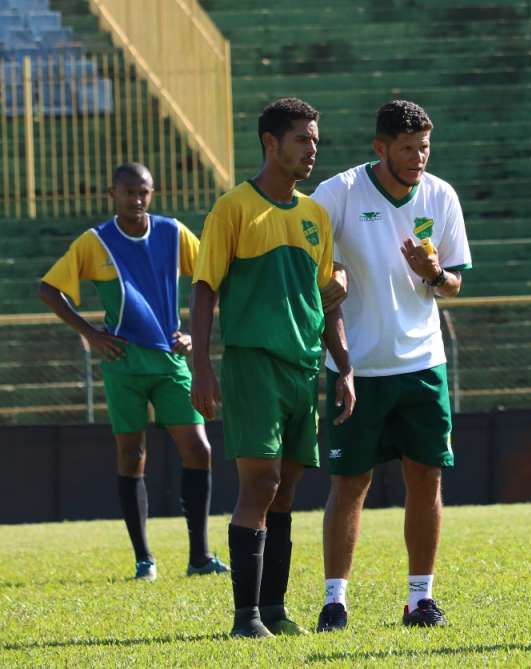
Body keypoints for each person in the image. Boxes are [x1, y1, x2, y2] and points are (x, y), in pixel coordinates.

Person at [190, 98, 352, 638]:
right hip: (252, 362)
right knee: (259, 481)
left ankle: (275, 609)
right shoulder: (232, 208)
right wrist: (202, 367)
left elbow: (327, 298)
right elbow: (205, 289)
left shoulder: (315, 217)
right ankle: (245, 617)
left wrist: (343, 366)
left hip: (304, 366)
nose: (312, 150)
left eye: (315, 141)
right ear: (270, 143)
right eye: (302, 140)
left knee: (286, 490)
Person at [310, 99, 472, 631]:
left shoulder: (441, 195)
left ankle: (420, 599)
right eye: (406, 148)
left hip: (423, 364)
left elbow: (453, 285)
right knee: (349, 483)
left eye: (424, 146)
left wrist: (433, 273)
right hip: (355, 367)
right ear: (379, 148)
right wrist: (328, 274)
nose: (418, 157)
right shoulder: (339, 193)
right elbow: (309, 259)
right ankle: (335, 602)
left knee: (426, 478)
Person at [38, 163, 229, 581]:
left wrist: (194, 338)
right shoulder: (96, 242)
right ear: (113, 193)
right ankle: (144, 558)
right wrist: (89, 332)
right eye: (129, 192)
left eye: (144, 192)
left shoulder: (173, 232)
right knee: (132, 455)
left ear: (152, 193)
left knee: (199, 449)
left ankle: (200, 557)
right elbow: (49, 289)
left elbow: (210, 279)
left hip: (170, 361)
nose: (137, 200)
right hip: (122, 363)